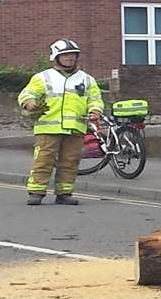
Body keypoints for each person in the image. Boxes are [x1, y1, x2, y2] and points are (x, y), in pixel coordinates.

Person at [16, 39, 105, 206]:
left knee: (70, 162)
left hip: (75, 128)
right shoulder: (43, 77)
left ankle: (64, 193)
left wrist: (95, 111)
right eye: (65, 55)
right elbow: (26, 94)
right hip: (48, 128)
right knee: (44, 160)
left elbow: (95, 99)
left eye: (73, 55)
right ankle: (36, 192)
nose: (70, 58)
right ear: (56, 57)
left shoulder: (86, 79)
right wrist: (30, 103)